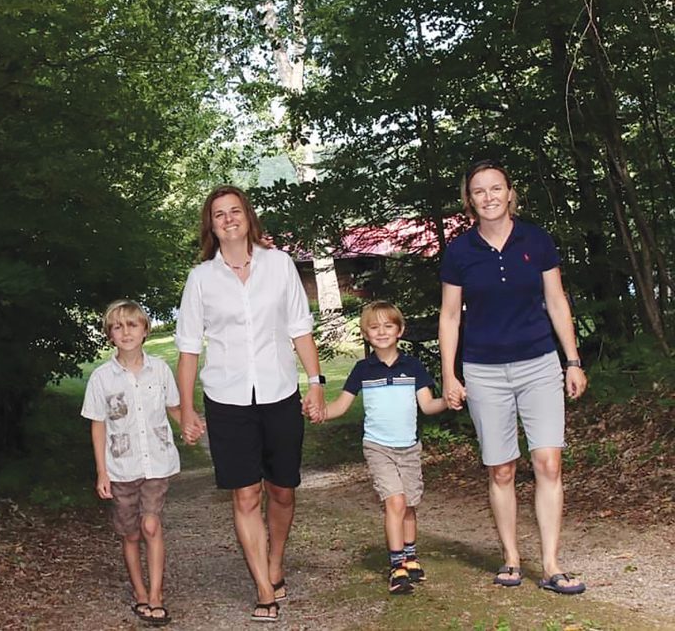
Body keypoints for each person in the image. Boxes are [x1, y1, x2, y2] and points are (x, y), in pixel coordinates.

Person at [174, 185, 325, 623]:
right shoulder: (200, 279)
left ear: (248, 217)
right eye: (218, 214)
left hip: (279, 392)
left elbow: (300, 328)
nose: (228, 219)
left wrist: (315, 383)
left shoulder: (279, 266)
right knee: (245, 494)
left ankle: (276, 560)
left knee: (282, 490)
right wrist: (186, 409)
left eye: (234, 211)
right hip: (227, 399)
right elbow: (187, 350)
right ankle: (263, 586)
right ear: (211, 225)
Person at [438, 159, 588, 595]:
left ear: (510, 193)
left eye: (496, 188)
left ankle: (552, 565)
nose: (489, 197)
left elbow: (557, 301)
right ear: (470, 200)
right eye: (479, 191)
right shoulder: (460, 252)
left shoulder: (536, 240)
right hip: (484, 370)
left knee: (548, 461)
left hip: (539, 363)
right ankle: (510, 558)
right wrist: (450, 374)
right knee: (501, 469)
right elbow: (450, 317)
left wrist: (572, 360)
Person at [306, 300, 446, 594]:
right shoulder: (362, 370)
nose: (381, 332)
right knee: (394, 502)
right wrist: (317, 412)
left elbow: (428, 405)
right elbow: (340, 407)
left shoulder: (413, 366)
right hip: (378, 447)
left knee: (408, 506)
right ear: (366, 334)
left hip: (409, 447)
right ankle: (397, 566)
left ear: (400, 330)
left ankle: (410, 556)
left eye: (388, 326)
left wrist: (449, 399)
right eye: (374, 327)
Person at [82, 299, 181, 626]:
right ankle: (139, 591)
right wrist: (102, 472)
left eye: (132, 325)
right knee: (131, 533)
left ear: (145, 330)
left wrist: (190, 423)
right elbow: (98, 424)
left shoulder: (160, 370)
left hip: (156, 463)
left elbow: (174, 408)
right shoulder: (101, 378)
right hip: (121, 467)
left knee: (150, 524)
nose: (126, 332)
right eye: (118, 326)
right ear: (110, 334)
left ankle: (156, 595)